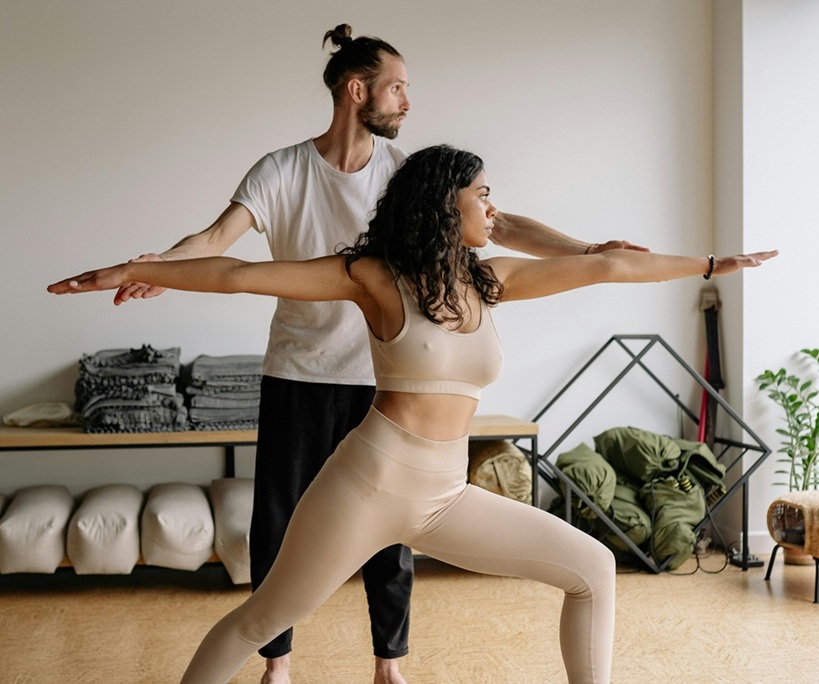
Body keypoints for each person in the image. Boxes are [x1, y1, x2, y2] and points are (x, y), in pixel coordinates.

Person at [48, 144, 776, 683]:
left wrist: (712, 265)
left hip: (442, 494)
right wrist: (138, 268)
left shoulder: (487, 283)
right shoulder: (374, 277)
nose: (494, 210)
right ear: (443, 204)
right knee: (264, 617)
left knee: (590, 567)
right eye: (483, 196)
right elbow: (239, 275)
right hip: (367, 482)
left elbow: (607, 265)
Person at [107, 23, 648, 684]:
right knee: (281, 525)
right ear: (356, 89)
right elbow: (222, 243)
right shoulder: (283, 169)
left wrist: (587, 253)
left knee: (393, 535)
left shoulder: (403, 174)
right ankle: (276, 661)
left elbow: (497, 223)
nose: (406, 101)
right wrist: (159, 267)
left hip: (384, 375)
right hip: (299, 371)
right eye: (397, 87)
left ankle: (387, 663)